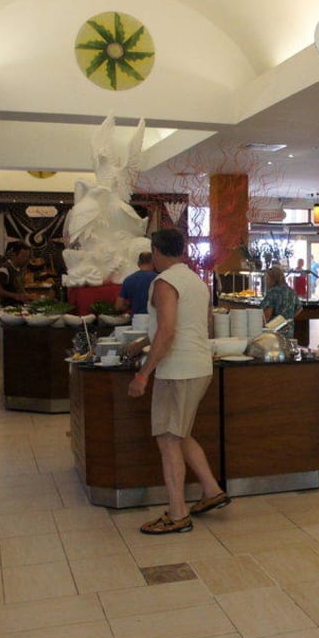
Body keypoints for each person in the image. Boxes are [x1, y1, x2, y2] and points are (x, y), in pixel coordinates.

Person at [128, 228, 229, 534]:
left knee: (168, 439)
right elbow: (194, 323)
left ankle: (177, 514)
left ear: (156, 251)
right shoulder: (196, 281)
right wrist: (143, 341)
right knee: (180, 433)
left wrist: (143, 374)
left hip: (177, 370)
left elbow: (168, 330)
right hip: (199, 365)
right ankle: (211, 490)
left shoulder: (164, 282)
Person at [260, 265, 300, 339]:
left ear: (273, 279)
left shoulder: (273, 292)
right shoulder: (291, 291)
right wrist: (288, 317)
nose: (266, 281)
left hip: (274, 330)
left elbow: (267, 315)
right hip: (289, 329)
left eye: (267, 278)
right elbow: (299, 309)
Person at [0, 241, 34, 309]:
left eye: (27, 257)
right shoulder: (5, 269)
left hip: (19, 308)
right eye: (23, 256)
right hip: (8, 309)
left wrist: (26, 296)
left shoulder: (20, 268)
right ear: (14, 255)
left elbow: (18, 288)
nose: (26, 259)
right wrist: (15, 296)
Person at [115, 252, 156, 316]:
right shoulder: (158, 279)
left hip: (136, 319)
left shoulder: (128, 280)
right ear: (153, 263)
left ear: (138, 263)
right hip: (154, 317)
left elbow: (118, 306)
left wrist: (129, 305)